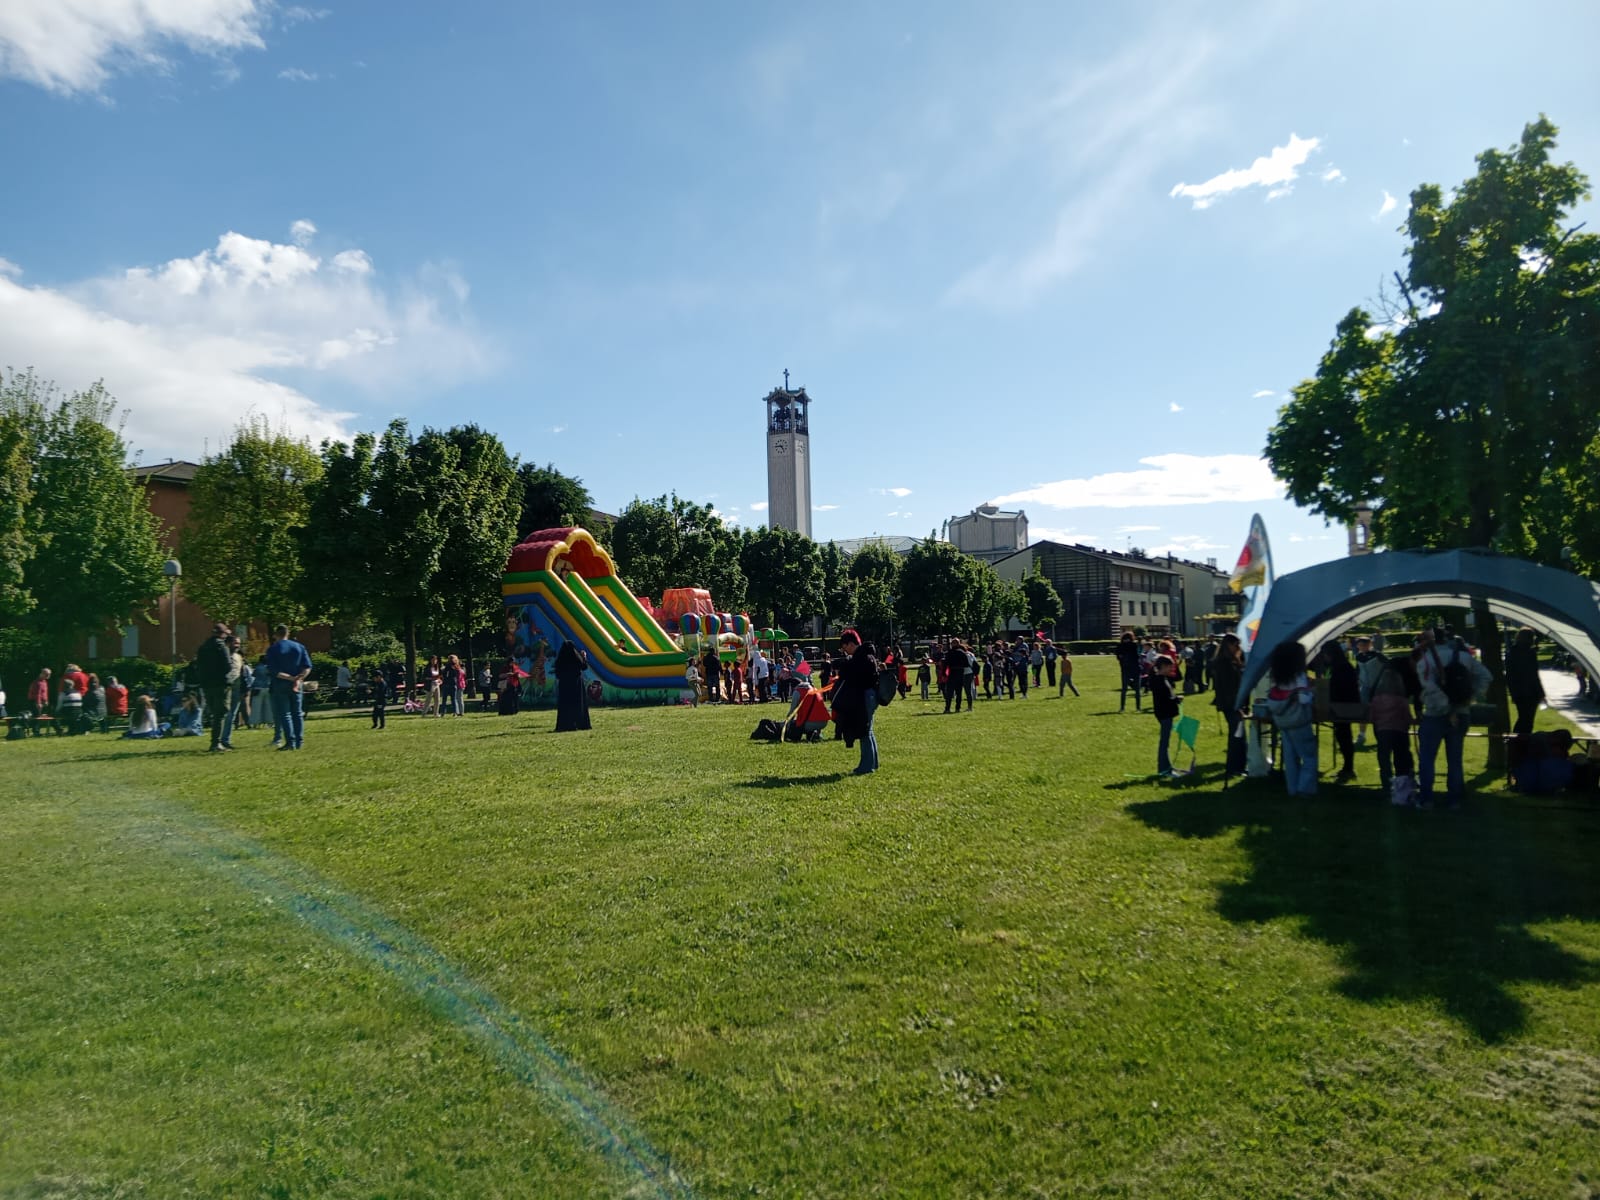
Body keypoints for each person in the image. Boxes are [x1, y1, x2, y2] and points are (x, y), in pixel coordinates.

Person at [1413, 626, 1492, 809]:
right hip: (1461, 712)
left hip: (1435, 714)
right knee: (1455, 759)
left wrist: (1446, 708)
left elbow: (1430, 687)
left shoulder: (1425, 661)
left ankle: (1426, 799)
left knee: (1427, 758)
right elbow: (1486, 676)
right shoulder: (1464, 657)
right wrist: (1470, 697)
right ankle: (1454, 799)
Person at [1265, 640, 1317, 797]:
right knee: (1308, 757)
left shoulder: (1275, 675)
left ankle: (1292, 789)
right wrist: (1312, 692)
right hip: (1299, 720)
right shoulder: (1299, 676)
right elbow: (1303, 699)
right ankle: (1305, 789)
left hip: (1282, 721)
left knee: (1290, 759)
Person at [1368, 653, 1419, 803]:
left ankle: (1386, 786)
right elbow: (1408, 719)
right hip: (1400, 732)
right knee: (1401, 758)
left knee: (1384, 760)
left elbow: (1372, 717)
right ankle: (1402, 785)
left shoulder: (1376, 699)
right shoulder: (1402, 700)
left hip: (1383, 731)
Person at [831, 629, 879, 775]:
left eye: (845, 648)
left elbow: (849, 675)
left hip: (865, 695)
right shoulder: (867, 655)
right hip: (870, 694)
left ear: (851, 644)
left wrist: (844, 666)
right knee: (868, 731)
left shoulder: (861, 658)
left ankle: (866, 766)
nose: (845, 651)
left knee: (864, 731)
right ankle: (873, 763)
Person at [266, 624, 313, 750]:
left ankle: (290, 742)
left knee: (285, 714)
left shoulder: (273, 649)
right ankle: (299, 741)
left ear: (276, 634)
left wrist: (290, 678)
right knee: (297, 713)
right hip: (297, 684)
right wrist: (299, 678)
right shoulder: (299, 647)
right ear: (288, 633)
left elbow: (273, 671)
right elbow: (307, 666)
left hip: (281, 684)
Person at [1318, 640, 1360, 783]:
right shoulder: (1335, 667)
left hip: (1344, 706)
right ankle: (1347, 767)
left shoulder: (1342, 668)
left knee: (1344, 737)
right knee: (1342, 737)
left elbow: (1341, 688)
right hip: (1338, 706)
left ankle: (1348, 767)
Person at [193, 621, 238, 753]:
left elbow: (198, 666)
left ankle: (215, 742)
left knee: (214, 713)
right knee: (221, 713)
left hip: (207, 685)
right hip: (220, 685)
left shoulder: (203, 647)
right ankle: (216, 743)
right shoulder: (221, 646)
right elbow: (228, 666)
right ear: (222, 634)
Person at [1208, 633, 1247, 776]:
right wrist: (1237, 706)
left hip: (1232, 702)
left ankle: (1239, 766)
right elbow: (1228, 687)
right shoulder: (1224, 663)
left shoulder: (1229, 661)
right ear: (1229, 645)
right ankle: (1234, 768)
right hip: (1231, 703)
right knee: (1237, 736)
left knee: (1239, 735)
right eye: (1236, 645)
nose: (1238, 648)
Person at [1504, 628, 1544, 737]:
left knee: (1523, 717)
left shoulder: (1511, 651)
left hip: (1517, 691)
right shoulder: (1530, 653)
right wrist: (1541, 692)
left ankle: (1518, 740)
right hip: (1530, 691)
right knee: (1528, 719)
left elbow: (1509, 674)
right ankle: (1522, 740)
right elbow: (1533, 675)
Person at [1149, 653, 1182, 777]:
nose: (1172, 669)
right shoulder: (1159, 681)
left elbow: (1169, 696)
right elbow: (1164, 699)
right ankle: (1164, 769)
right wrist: (1175, 700)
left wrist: (1175, 699)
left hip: (1165, 713)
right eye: (1170, 667)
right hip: (1164, 714)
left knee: (1165, 742)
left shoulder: (1163, 679)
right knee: (1164, 742)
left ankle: (1166, 767)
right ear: (1163, 666)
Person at [552, 641, 592, 731]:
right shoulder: (576, 658)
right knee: (578, 704)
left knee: (565, 705)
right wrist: (584, 657)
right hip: (576, 684)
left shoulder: (560, 659)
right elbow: (584, 666)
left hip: (564, 685)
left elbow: (557, 673)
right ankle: (579, 723)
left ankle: (566, 724)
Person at [1116, 633, 1142, 712]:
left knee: (1125, 689)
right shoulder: (1134, 645)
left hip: (1126, 669)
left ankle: (1123, 707)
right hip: (1134, 669)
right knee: (1136, 690)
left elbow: (1119, 657)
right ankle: (1137, 707)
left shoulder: (1120, 646)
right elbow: (1138, 656)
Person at [942, 640, 969, 713]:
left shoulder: (949, 653)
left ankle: (947, 708)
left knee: (949, 692)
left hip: (952, 673)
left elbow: (945, 664)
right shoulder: (962, 652)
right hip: (960, 673)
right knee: (959, 692)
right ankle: (958, 708)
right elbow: (966, 664)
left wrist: (943, 674)